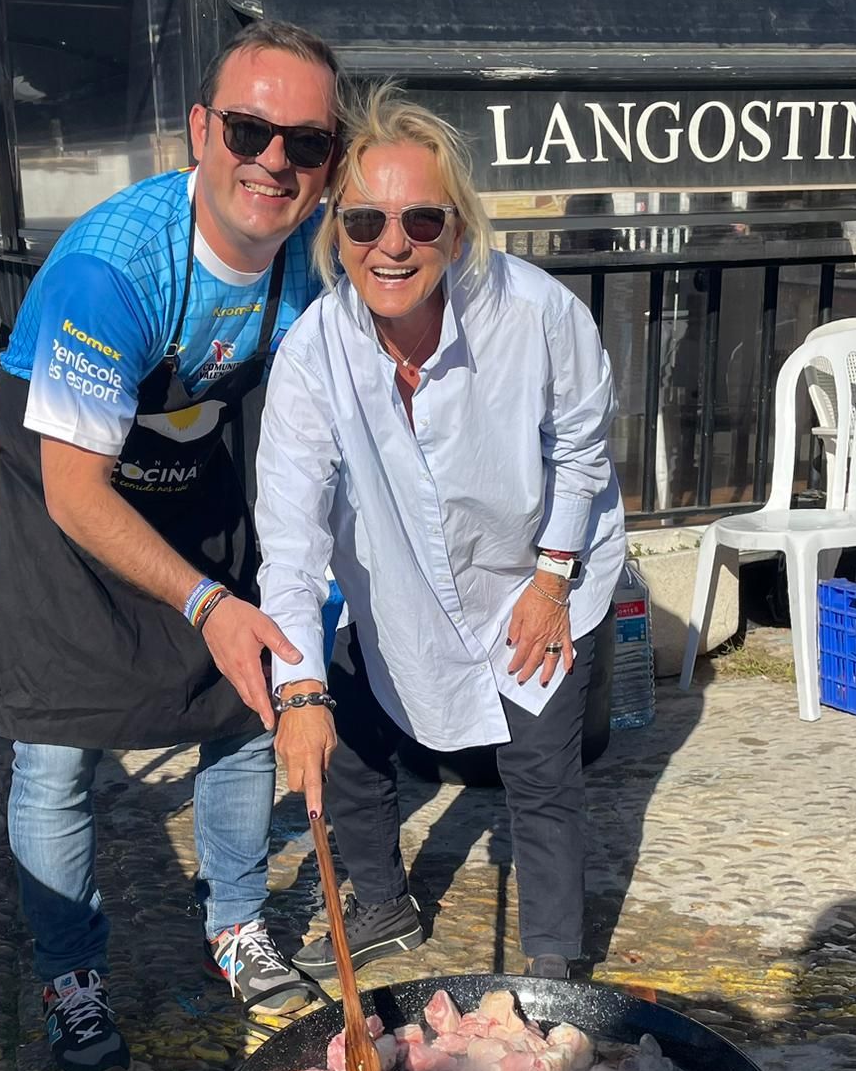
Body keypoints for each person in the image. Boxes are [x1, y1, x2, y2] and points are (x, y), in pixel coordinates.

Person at [0, 21, 341, 1071]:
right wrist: (204, 602)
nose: (270, 159)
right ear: (200, 131)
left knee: (238, 700)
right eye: (247, 128)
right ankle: (70, 972)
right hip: (65, 476)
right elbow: (79, 493)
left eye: (302, 144)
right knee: (54, 744)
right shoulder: (113, 269)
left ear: (323, 166)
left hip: (186, 453)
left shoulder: (309, 269)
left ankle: (233, 923)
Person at [257, 87, 626, 981]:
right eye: (366, 221)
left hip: (542, 567)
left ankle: (552, 977)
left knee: (539, 773)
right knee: (350, 712)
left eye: (421, 220)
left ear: (456, 229)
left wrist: (550, 582)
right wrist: (297, 695)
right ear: (334, 233)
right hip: (408, 590)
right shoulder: (312, 356)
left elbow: (582, 447)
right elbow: (294, 541)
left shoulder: (535, 313)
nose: (392, 244)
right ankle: (382, 900)